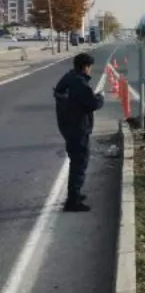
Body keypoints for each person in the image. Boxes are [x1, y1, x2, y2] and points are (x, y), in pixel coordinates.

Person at [54, 52, 105, 212]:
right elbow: (92, 104)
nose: (91, 70)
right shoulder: (80, 83)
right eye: (90, 67)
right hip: (78, 128)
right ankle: (73, 201)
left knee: (75, 160)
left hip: (67, 125)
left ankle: (75, 193)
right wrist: (100, 97)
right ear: (86, 67)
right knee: (80, 162)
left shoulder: (68, 78)